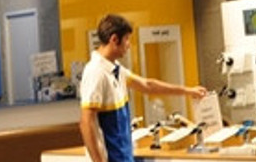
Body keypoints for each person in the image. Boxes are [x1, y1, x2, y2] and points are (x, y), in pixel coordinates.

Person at [80, 14, 207, 162]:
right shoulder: (96, 72)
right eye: (127, 39)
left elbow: (147, 85)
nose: (129, 45)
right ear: (114, 39)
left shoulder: (115, 69)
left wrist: (188, 91)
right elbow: (86, 122)